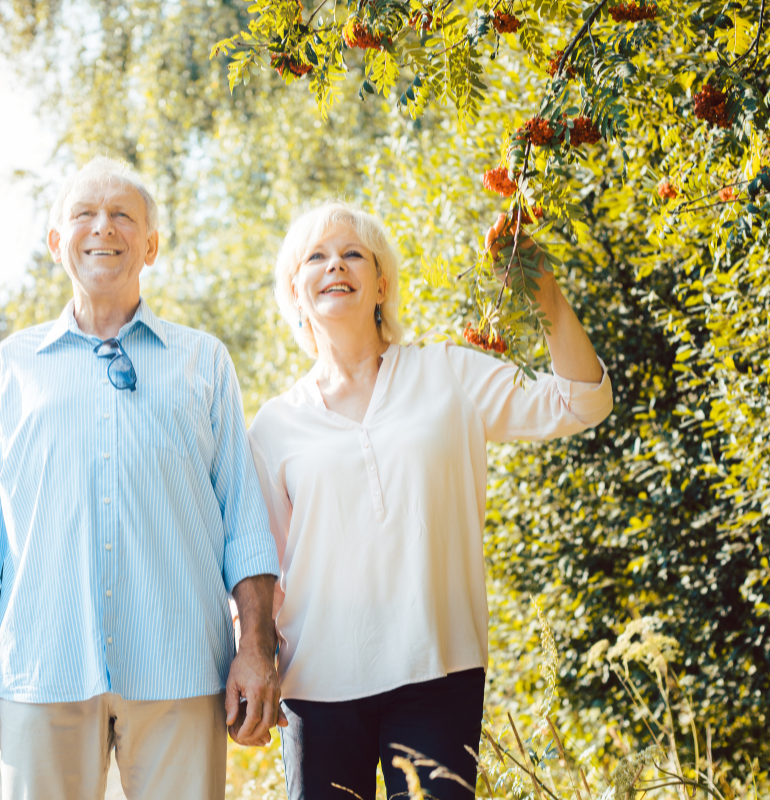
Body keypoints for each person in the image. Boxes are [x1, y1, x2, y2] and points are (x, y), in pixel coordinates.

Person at [0, 156, 283, 800]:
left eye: (123, 215)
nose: (104, 227)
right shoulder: (10, 368)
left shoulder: (203, 361)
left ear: (150, 245)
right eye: (84, 214)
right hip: (44, 666)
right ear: (55, 242)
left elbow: (244, 527)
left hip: (181, 666)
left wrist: (256, 651)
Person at [247, 201, 613, 800]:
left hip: (438, 670)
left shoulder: (447, 375)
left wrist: (541, 291)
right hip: (317, 685)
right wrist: (253, 663)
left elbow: (581, 401)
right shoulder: (274, 425)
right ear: (295, 290)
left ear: (381, 283)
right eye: (316, 256)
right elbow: (264, 570)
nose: (335, 264)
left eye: (352, 254)